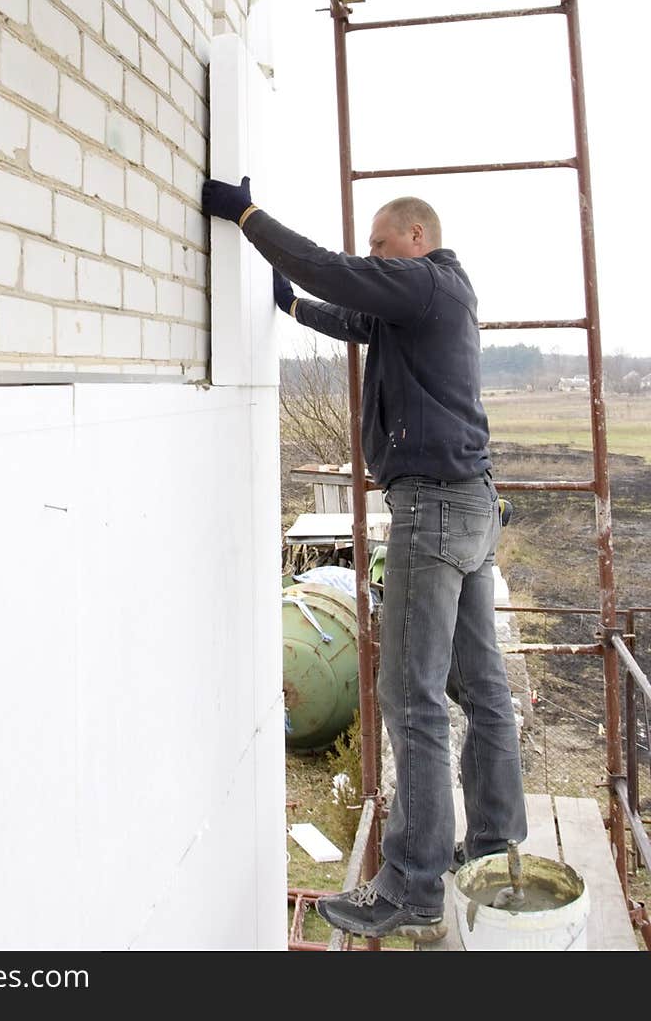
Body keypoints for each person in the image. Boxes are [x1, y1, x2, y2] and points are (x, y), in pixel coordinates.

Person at [201, 176, 527, 939]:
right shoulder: (428, 303)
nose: (374, 257)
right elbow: (351, 314)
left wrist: (246, 216)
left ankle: (412, 887)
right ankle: (492, 845)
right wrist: (288, 306)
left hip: (437, 510)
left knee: (411, 700)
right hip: (472, 505)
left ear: (416, 238)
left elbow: (336, 271)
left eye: (381, 245)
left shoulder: (425, 282)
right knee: (482, 691)